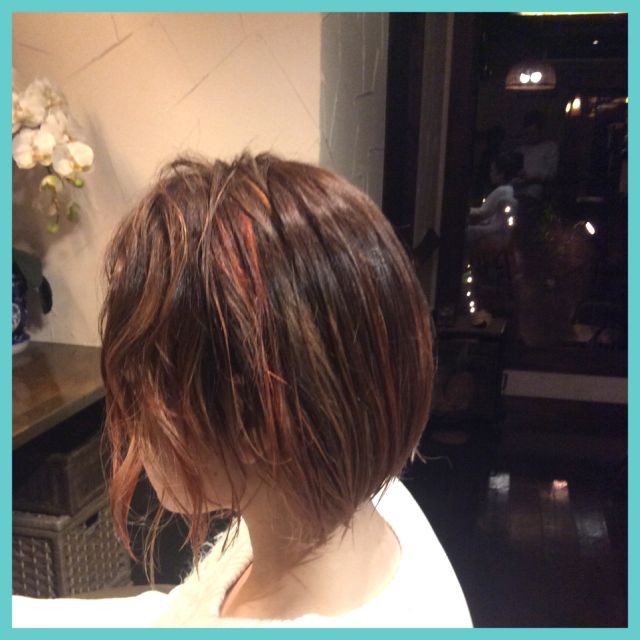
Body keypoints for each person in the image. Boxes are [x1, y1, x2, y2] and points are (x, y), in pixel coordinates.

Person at [12, 153, 473, 628]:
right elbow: (178, 613)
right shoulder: (370, 508)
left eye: (142, 384)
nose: (132, 419)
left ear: (254, 416)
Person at [466, 151, 521, 254]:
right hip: (500, 234)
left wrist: (465, 210)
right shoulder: (510, 190)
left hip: (493, 234)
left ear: (501, 174)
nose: (490, 174)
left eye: (493, 171)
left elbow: (483, 212)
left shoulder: (502, 190)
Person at [514, 110, 558, 201]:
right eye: (527, 133)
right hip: (515, 192)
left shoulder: (550, 148)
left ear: (541, 131)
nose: (530, 136)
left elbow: (550, 174)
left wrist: (530, 178)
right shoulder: (521, 149)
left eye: (533, 133)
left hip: (534, 194)